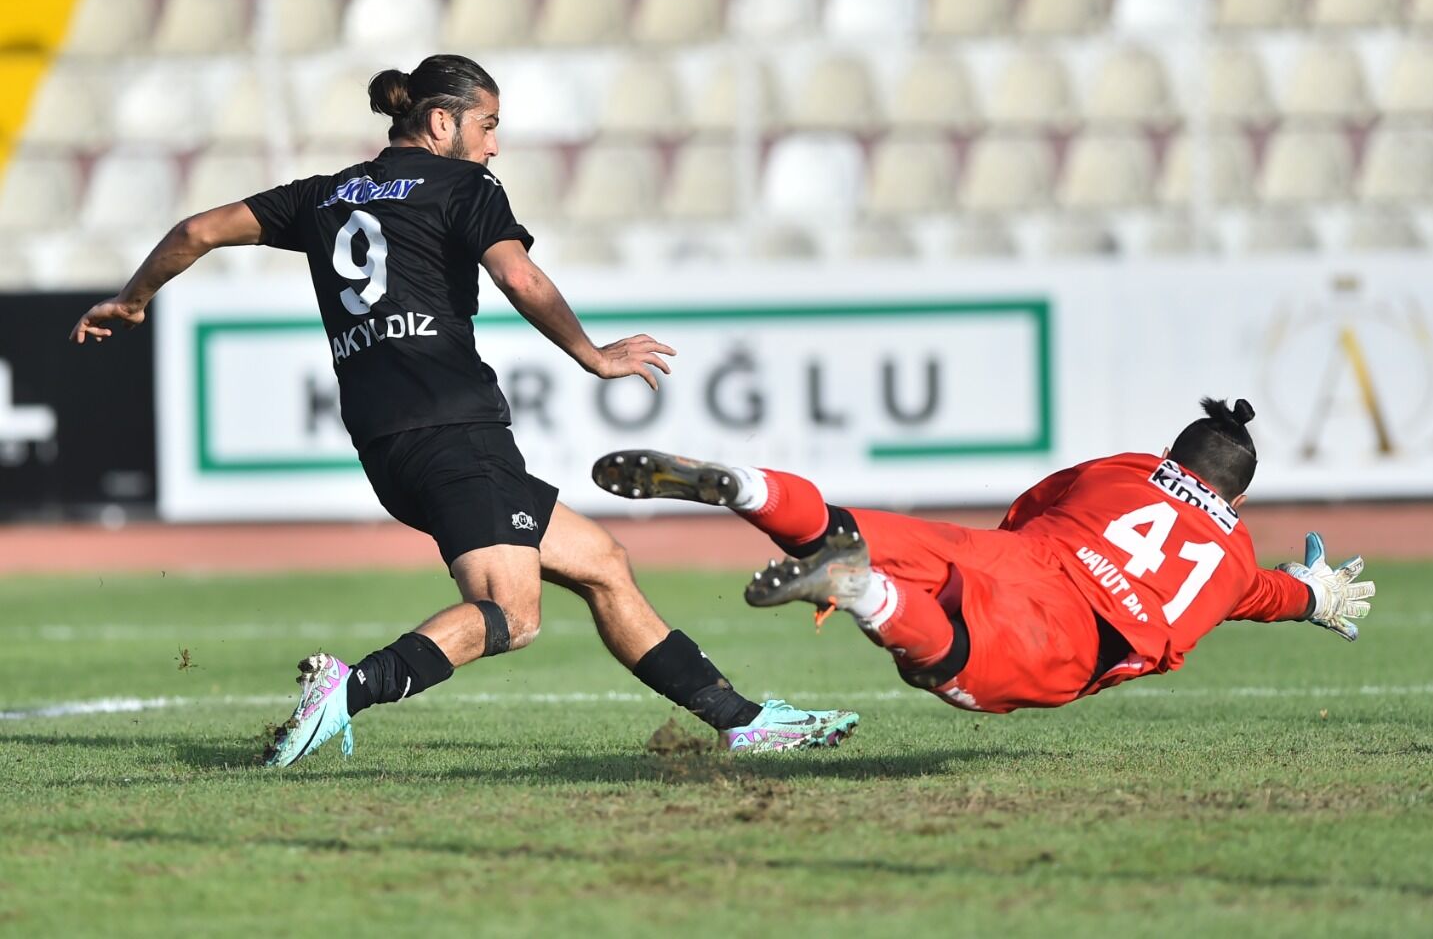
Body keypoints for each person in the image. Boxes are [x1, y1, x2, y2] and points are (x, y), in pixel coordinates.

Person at [69, 54, 858, 763]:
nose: (494, 145)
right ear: (442, 122)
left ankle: (740, 720)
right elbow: (521, 278)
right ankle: (348, 688)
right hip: (455, 428)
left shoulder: (322, 194)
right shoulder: (463, 186)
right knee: (511, 614)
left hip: (387, 442)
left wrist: (134, 299)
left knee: (602, 565)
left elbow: (198, 229)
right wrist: (592, 354)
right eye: (487, 125)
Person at [591, 399, 1376, 715]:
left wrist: (1000, 561)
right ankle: (861, 592)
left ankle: (750, 486)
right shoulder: (1233, 559)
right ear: (1239, 501)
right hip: (1075, 631)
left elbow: (1032, 506)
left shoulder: (1126, 469)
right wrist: (1316, 596)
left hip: (1014, 554)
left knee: (834, 524)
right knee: (946, 665)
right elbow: (1266, 594)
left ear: (1173, 455)